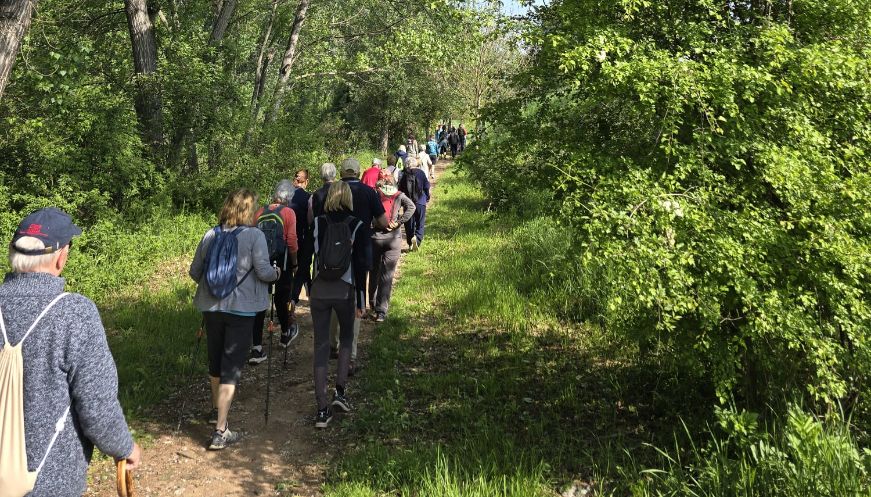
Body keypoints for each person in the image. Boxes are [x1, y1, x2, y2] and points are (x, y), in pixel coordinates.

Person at [0, 207, 141, 497]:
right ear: (62, 256)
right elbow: (97, 405)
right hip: (48, 481)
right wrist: (124, 447)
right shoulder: (74, 314)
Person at [190, 188, 280, 450]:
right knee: (231, 366)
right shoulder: (255, 235)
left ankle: (217, 409)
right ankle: (221, 429)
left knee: (215, 361)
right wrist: (276, 273)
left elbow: (195, 271)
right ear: (250, 210)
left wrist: (214, 287)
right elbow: (263, 271)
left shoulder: (211, 234)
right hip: (242, 309)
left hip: (211, 306)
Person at [307, 181, 368, 428]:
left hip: (320, 289)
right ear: (349, 198)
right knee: (345, 340)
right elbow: (362, 264)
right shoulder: (358, 224)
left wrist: (308, 289)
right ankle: (340, 392)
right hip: (346, 290)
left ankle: (322, 408)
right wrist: (362, 300)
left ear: (330, 196)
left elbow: (309, 255)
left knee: (321, 345)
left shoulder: (318, 222)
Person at [327, 158, 388, 374]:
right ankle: (350, 356)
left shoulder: (330, 192)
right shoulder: (368, 192)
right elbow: (382, 222)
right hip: (360, 252)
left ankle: (332, 344)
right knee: (356, 302)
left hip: (332, 255)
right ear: (358, 171)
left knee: (334, 296)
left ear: (341, 172)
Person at [248, 180, 299, 364]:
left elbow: (251, 236)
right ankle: (285, 334)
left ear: (274, 195)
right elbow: (292, 241)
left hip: (260, 262)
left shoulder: (260, 211)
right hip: (281, 262)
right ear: (289, 198)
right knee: (281, 298)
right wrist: (295, 263)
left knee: (260, 302)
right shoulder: (289, 213)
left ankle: (256, 347)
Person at [369, 177, 416, 322]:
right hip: (393, 238)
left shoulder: (375, 193)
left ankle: (372, 303)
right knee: (387, 275)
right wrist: (399, 222)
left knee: (374, 271)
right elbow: (412, 207)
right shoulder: (399, 195)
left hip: (375, 237)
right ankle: (381, 311)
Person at [290, 169, 312, 311]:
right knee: (303, 266)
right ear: (306, 182)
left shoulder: (286, 196)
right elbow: (310, 220)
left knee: (297, 267)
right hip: (303, 237)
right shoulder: (309, 197)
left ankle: (311, 293)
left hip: (287, 238)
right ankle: (293, 298)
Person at [398, 156, 431, 251]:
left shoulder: (404, 174)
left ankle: (410, 243)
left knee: (409, 224)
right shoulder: (421, 173)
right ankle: (417, 238)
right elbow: (426, 187)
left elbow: (400, 190)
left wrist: (401, 204)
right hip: (420, 202)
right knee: (420, 222)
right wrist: (427, 197)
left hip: (408, 204)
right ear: (415, 163)